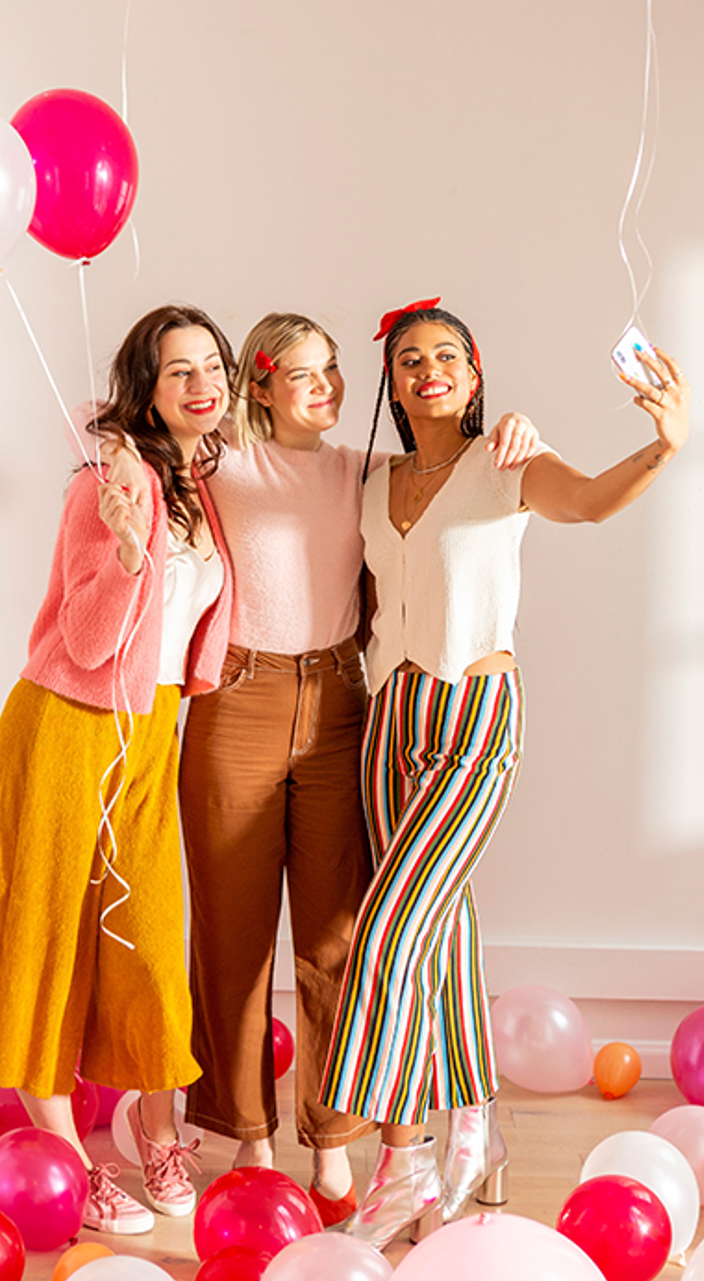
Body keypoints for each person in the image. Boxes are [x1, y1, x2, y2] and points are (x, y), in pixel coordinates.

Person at [318, 298, 690, 1248]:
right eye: (409, 357)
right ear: (393, 383)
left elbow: (594, 500)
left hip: (478, 716)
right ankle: (474, 1126)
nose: (427, 367)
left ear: (475, 377)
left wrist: (664, 446)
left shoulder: (506, 460)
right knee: (441, 932)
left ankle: (402, 1159)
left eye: (446, 354)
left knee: (391, 927)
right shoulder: (372, 480)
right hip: (390, 717)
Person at [177, 313, 537, 1225]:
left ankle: (335, 1143)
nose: (326, 387)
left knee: (339, 932)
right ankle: (248, 1134)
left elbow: (449, 489)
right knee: (234, 930)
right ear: (258, 385)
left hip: (343, 700)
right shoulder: (216, 462)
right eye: (301, 374)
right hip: (239, 698)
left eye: (333, 370)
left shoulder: (364, 472)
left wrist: (513, 433)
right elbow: (108, 426)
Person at [0, 304, 237, 1234]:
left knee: (152, 937)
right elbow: (83, 639)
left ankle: (157, 1127)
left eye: (213, 368)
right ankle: (72, 1160)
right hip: (67, 726)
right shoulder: (108, 480)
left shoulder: (200, 480)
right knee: (50, 934)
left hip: (151, 731)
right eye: (178, 372)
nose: (201, 385)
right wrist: (126, 555)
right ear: (145, 389)